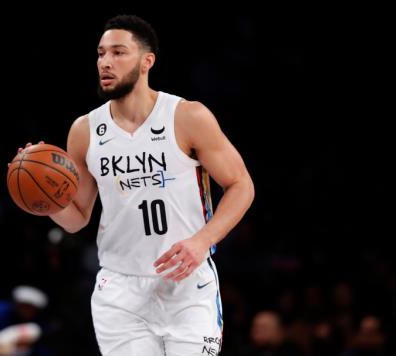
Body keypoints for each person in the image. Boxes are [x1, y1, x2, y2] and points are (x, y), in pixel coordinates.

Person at [19, 14, 254, 356]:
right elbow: (77, 217)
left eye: (118, 52)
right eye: (101, 54)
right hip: (120, 289)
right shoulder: (84, 130)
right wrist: (40, 194)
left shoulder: (187, 116)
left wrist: (203, 240)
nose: (105, 62)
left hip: (186, 282)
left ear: (147, 61)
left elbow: (241, 185)